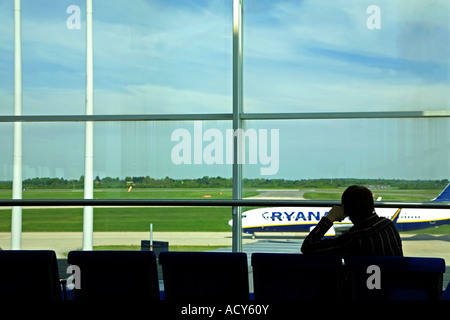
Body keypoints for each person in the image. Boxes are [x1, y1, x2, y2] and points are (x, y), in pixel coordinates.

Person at [301, 185, 403, 257]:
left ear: (345, 210)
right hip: (392, 284)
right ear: (372, 205)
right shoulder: (388, 225)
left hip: (367, 286)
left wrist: (329, 218)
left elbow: (307, 247)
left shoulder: (353, 239)